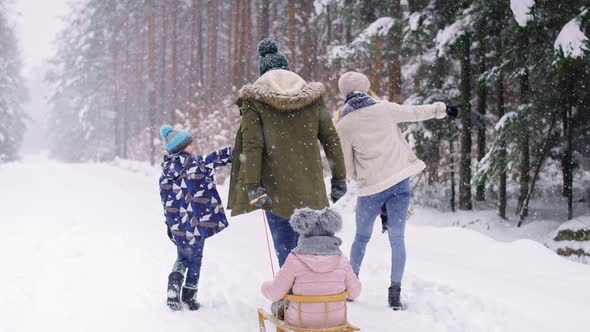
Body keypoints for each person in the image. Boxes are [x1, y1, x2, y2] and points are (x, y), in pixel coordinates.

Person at [334, 71, 452, 310]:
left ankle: (350, 287)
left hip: (371, 189)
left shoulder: (343, 125)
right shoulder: (384, 108)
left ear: (343, 93)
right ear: (366, 88)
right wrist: (442, 109)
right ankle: (394, 294)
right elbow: (416, 112)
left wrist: (362, 176)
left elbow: (346, 166)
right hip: (399, 182)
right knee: (397, 240)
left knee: (361, 238)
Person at [227, 38, 347, 268]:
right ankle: (313, 296)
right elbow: (330, 139)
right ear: (288, 69)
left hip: (275, 190)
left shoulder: (255, 100)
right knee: (314, 249)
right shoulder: (312, 98)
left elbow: (253, 145)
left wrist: (253, 186)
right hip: (311, 187)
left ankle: (288, 299)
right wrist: (339, 177)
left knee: (285, 249)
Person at [158, 124, 232, 311]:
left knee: (182, 258)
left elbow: (165, 200)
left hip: (178, 225)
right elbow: (214, 159)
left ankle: (173, 286)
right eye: (190, 144)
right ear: (180, 147)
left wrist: (169, 224)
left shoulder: (166, 172)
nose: (193, 146)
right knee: (196, 258)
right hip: (196, 223)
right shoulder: (195, 164)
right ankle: (190, 296)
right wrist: (233, 151)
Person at [261, 208, 361, 329]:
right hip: (335, 321)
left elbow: (274, 293)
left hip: (300, 322)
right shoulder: (342, 260)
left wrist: (264, 286)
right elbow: (355, 292)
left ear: (303, 231)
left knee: (277, 305)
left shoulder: (294, 259)